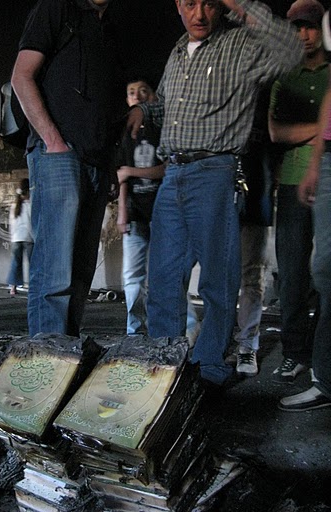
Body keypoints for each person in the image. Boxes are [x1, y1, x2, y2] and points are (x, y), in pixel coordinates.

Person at [126, 0, 303, 387]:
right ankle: (164, 368)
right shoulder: (177, 51)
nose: (200, 14)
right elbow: (174, 107)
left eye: (208, 3)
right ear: (176, 5)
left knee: (218, 281)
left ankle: (208, 370)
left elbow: (291, 48)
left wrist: (238, 4)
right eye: (190, 4)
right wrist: (146, 111)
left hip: (215, 171)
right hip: (172, 174)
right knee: (163, 277)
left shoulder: (241, 44)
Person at [10, 0, 126, 336]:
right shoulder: (57, 8)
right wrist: (53, 142)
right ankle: (47, 360)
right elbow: (21, 76)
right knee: (54, 271)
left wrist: (111, 164)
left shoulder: (109, 30)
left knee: (79, 274)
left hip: (97, 162)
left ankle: (66, 356)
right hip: (60, 155)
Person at [268, 0, 328, 384]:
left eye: (308, 27)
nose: (302, 35)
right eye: (296, 28)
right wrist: (323, 127)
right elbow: (276, 133)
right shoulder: (283, 78)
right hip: (290, 184)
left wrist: (306, 131)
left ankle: (323, 356)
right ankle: (294, 353)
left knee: (325, 274)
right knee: (292, 275)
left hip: (326, 181)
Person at [116, 78, 200, 341]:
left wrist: (132, 171)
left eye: (144, 91)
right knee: (132, 277)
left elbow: (166, 168)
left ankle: (185, 329)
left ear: (154, 97)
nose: (138, 96)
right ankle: (134, 331)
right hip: (136, 215)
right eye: (132, 92)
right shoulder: (125, 133)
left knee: (168, 275)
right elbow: (121, 177)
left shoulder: (164, 128)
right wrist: (122, 211)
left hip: (164, 214)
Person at [232, 84, 277, 378]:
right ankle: (221, 341)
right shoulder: (226, 92)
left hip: (258, 200)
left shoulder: (270, 93)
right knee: (219, 279)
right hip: (222, 201)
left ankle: (247, 345)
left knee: (252, 278)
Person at [7, 178, 34, 297]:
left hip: (16, 238)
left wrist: (12, 237)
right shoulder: (30, 204)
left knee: (16, 263)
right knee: (32, 264)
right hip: (28, 238)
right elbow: (32, 223)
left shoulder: (14, 205)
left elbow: (11, 223)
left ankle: (13, 287)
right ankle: (34, 287)